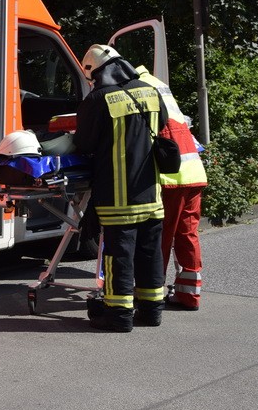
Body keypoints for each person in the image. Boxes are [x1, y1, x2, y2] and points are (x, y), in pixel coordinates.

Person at [74, 44, 168, 332]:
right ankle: (152, 311)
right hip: (151, 193)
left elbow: (85, 144)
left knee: (118, 255)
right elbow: (162, 123)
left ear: (97, 73)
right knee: (150, 252)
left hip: (118, 196)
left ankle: (118, 315)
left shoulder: (99, 98)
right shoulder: (151, 91)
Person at [136, 65, 207, 310]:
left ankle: (151, 295)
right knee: (187, 236)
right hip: (194, 174)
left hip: (172, 180)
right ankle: (189, 296)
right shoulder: (158, 85)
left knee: (160, 236)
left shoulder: (139, 89)